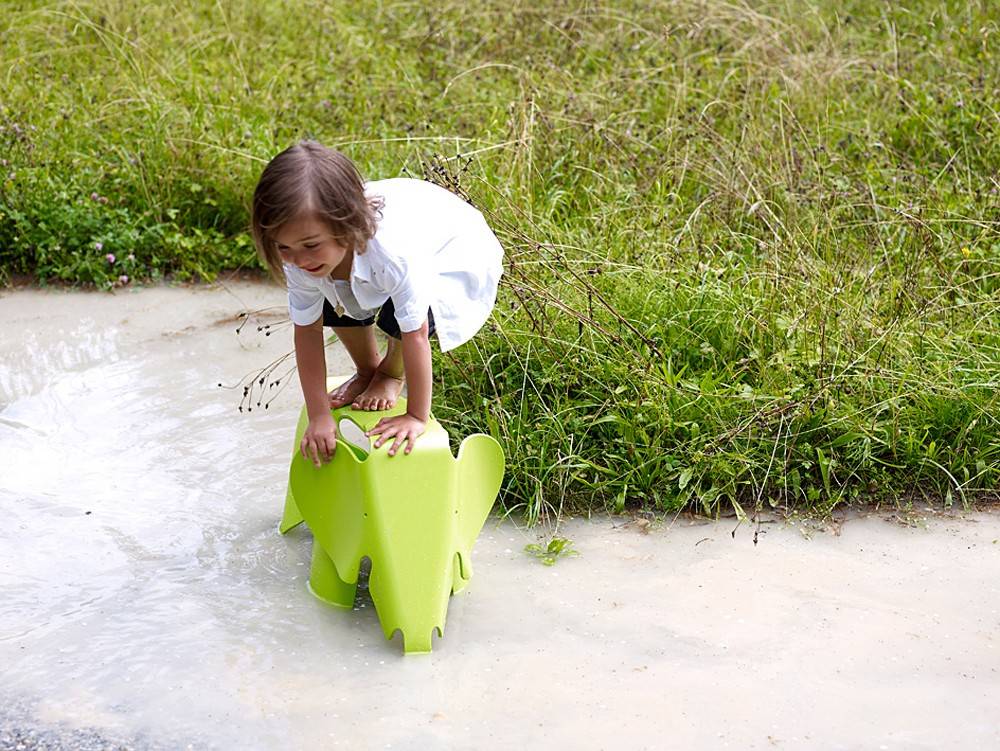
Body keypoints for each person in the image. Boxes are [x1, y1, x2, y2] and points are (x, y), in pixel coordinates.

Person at [251, 141, 503, 465]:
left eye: (310, 245)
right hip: (378, 252)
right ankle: (368, 369)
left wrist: (415, 416)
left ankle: (390, 374)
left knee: (401, 316)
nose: (298, 259)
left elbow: (417, 332)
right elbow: (307, 332)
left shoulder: (392, 254)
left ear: (345, 223)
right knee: (332, 294)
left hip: (453, 252)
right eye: (284, 248)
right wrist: (319, 416)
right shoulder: (302, 255)